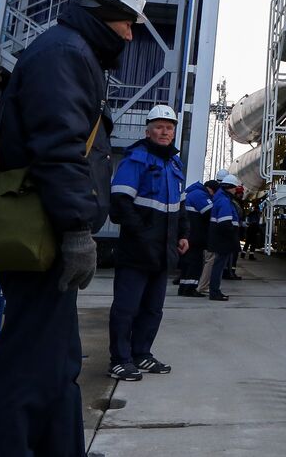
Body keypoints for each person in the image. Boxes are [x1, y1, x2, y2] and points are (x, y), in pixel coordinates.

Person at [0, 0, 146, 457]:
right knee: (30, 363)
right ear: (103, 14)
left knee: (58, 359)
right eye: (128, 23)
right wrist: (74, 229)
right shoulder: (67, 54)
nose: (131, 35)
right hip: (42, 229)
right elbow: (61, 147)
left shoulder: (68, 51)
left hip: (48, 227)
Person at [106, 105, 189, 380]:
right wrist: (142, 235)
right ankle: (119, 359)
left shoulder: (174, 164)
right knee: (126, 308)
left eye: (169, 127)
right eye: (159, 127)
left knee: (153, 309)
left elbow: (180, 205)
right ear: (148, 130)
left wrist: (183, 235)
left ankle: (142, 354)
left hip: (163, 250)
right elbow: (119, 204)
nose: (165, 132)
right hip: (137, 250)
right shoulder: (136, 159)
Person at [206, 173, 242, 302]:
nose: (235, 191)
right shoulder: (224, 200)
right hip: (224, 239)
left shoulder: (220, 198)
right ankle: (215, 292)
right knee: (219, 266)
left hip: (220, 238)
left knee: (218, 265)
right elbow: (225, 222)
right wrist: (232, 235)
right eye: (234, 188)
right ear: (230, 187)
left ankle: (215, 291)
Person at [177, 177, 215, 296]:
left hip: (189, 235)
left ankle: (183, 287)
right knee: (195, 263)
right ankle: (190, 288)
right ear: (210, 189)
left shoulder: (192, 193)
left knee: (187, 263)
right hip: (195, 236)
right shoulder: (200, 195)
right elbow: (210, 212)